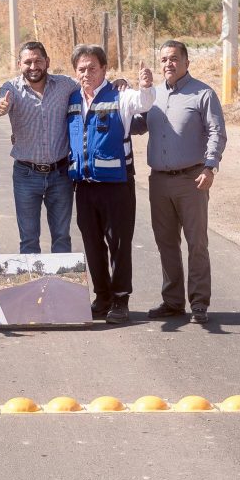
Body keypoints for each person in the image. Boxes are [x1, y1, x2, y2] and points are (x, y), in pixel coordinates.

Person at [132, 40, 228, 325]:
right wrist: (135, 95)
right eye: (163, 59)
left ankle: (199, 303)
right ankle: (172, 301)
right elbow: (137, 126)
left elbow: (217, 133)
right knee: (166, 243)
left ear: (187, 62)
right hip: (159, 181)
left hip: (192, 179)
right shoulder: (154, 95)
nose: (168, 64)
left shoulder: (203, 94)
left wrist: (210, 166)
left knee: (196, 243)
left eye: (174, 58)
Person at [65, 44, 154, 324]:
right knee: (92, 244)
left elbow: (144, 103)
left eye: (93, 67)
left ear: (104, 69)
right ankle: (101, 297)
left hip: (117, 186)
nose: (87, 73)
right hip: (85, 187)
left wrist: (146, 86)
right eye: (81, 69)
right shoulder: (72, 100)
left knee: (119, 244)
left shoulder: (121, 96)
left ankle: (120, 299)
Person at [0, 41, 81, 255]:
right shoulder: (10, 88)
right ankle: (33, 289)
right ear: (19, 64)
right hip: (26, 174)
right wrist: (0, 107)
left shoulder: (66, 85)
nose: (33, 66)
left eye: (38, 61)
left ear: (47, 62)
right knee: (29, 240)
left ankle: (61, 288)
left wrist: (119, 82)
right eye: (28, 62)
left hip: (60, 174)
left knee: (61, 237)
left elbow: (90, 84)